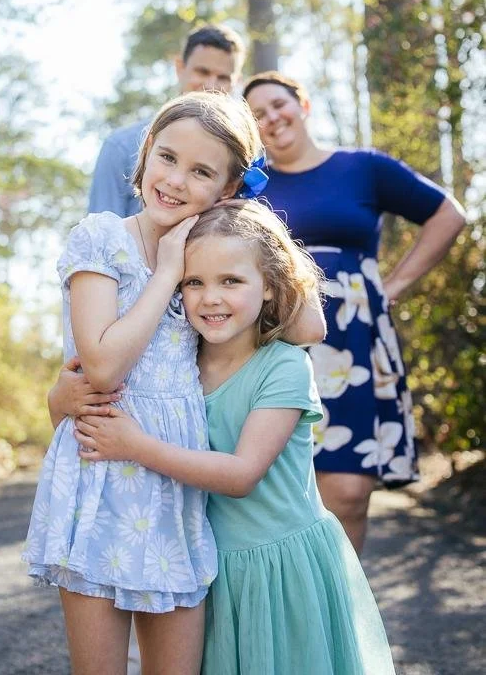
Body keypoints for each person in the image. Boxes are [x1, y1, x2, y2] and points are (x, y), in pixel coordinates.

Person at [23, 92, 325, 675]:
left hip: (177, 489)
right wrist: (166, 272)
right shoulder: (101, 238)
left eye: (202, 172)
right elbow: (104, 367)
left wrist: (252, 222)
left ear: (228, 187)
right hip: (101, 477)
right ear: (144, 156)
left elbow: (308, 325)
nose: (176, 180)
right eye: (166, 157)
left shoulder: (207, 252)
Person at [74, 200, 395, 675]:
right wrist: (62, 397)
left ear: (269, 287)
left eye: (231, 281)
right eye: (194, 282)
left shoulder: (284, 366)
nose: (211, 298)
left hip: (281, 569)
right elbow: (88, 383)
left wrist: (135, 446)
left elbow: (243, 474)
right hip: (209, 568)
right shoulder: (176, 362)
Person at [243, 71, 467, 553]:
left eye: (279, 104)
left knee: (347, 492)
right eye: (257, 114)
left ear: (302, 105)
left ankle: (343, 601)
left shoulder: (364, 167)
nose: (272, 118)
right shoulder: (250, 189)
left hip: (354, 343)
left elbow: (449, 215)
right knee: (277, 490)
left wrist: (393, 285)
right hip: (275, 339)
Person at [88, 24, 245, 217]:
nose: (211, 86)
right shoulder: (121, 146)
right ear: (180, 67)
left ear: (236, 81)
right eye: (202, 72)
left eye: (223, 78)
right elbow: (104, 226)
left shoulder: (239, 155)